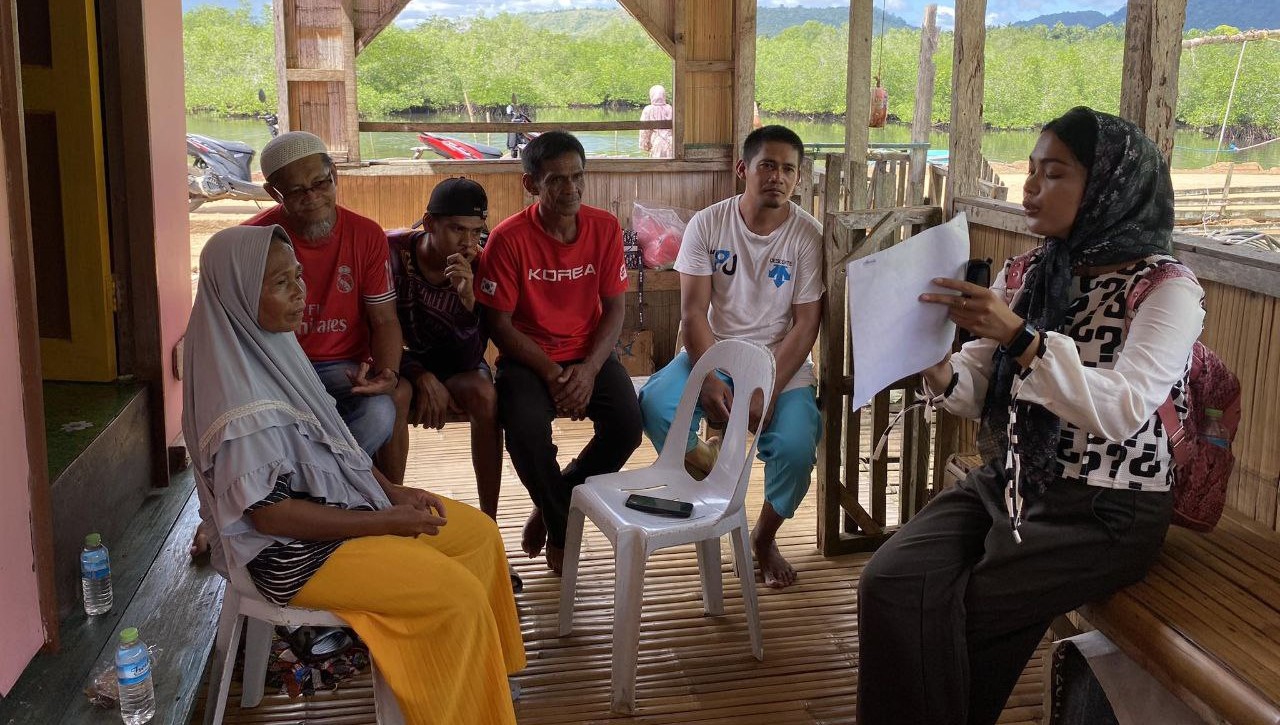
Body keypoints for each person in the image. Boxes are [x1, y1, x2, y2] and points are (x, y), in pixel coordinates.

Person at [856, 107, 1205, 725]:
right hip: (1021, 478)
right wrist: (933, 360)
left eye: (1054, 174)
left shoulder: (1165, 289)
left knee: (966, 609)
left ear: (1105, 187)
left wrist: (1021, 338)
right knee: (890, 581)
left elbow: (1124, 408)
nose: (1031, 188)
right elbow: (979, 380)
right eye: (1032, 170)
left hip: (1107, 507)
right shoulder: (1040, 270)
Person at [183, 225, 525, 724]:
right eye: (280, 284)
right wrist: (383, 521)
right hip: (291, 559)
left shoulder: (273, 349)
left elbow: (335, 449)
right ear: (236, 294)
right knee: (455, 595)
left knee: (477, 537)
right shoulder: (236, 398)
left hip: (339, 514)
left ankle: (483, 683)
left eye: (298, 275)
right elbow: (271, 518)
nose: (301, 291)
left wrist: (391, 492)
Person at [637, 125, 824, 590]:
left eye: (787, 170)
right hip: (713, 351)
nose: (777, 177)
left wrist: (768, 386)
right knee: (656, 403)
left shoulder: (807, 235)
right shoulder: (709, 223)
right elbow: (692, 313)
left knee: (799, 449)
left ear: (797, 179)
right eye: (767, 166)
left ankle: (763, 537)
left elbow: (805, 325)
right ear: (743, 169)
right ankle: (709, 464)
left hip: (781, 363)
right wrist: (707, 378)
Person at [476, 130, 643, 575]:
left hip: (589, 353)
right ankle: (561, 521)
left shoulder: (604, 228)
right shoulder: (509, 239)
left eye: (577, 177)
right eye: (556, 180)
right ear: (531, 184)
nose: (570, 189)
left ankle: (557, 496)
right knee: (527, 433)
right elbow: (499, 325)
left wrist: (588, 370)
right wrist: (553, 373)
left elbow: (615, 309)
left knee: (627, 426)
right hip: (529, 359)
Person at [244, 131, 409, 484]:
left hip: (343, 369)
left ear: (334, 173)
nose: (314, 197)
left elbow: (384, 320)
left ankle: (308, 490)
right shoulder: (252, 240)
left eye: (321, 182)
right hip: (277, 365)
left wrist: (388, 374)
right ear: (274, 194)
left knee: (380, 411)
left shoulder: (365, 234)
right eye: (297, 191)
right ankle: (330, 492)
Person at [387, 178, 511, 584]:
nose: (468, 241)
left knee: (485, 395)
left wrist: (468, 300)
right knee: (394, 395)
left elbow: (472, 355)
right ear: (429, 223)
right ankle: (392, 520)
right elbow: (376, 332)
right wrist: (419, 373)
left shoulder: (483, 261)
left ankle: (488, 528)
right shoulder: (392, 254)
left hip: (459, 365)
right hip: (400, 363)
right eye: (457, 229)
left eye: (476, 231)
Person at [638, 85, 673, 159]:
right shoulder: (670, 108)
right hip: (671, 143)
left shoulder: (648, 110)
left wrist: (645, 145)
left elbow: (644, 130)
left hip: (656, 142)